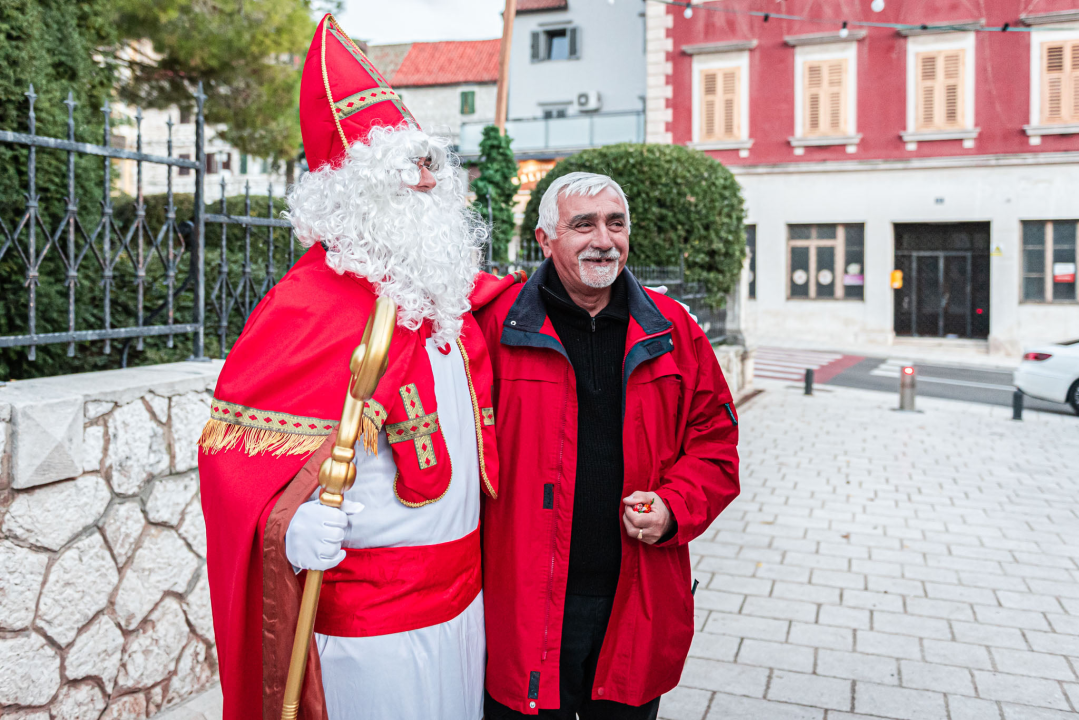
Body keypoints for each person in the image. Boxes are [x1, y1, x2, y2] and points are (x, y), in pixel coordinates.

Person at [197, 15, 517, 720]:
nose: (429, 177)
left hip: (465, 604)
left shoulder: (450, 301)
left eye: (432, 162)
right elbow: (233, 466)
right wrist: (284, 528)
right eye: (407, 166)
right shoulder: (306, 307)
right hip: (369, 629)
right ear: (352, 191)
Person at [476, 172, 741, 719]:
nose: (603, 239)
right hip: (524, 606)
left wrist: (674, 507)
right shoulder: (495, 328)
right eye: (583, 224)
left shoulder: (673, 331)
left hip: (635, 600)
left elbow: (716, 443)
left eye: (615, 223)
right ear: (545, 240)